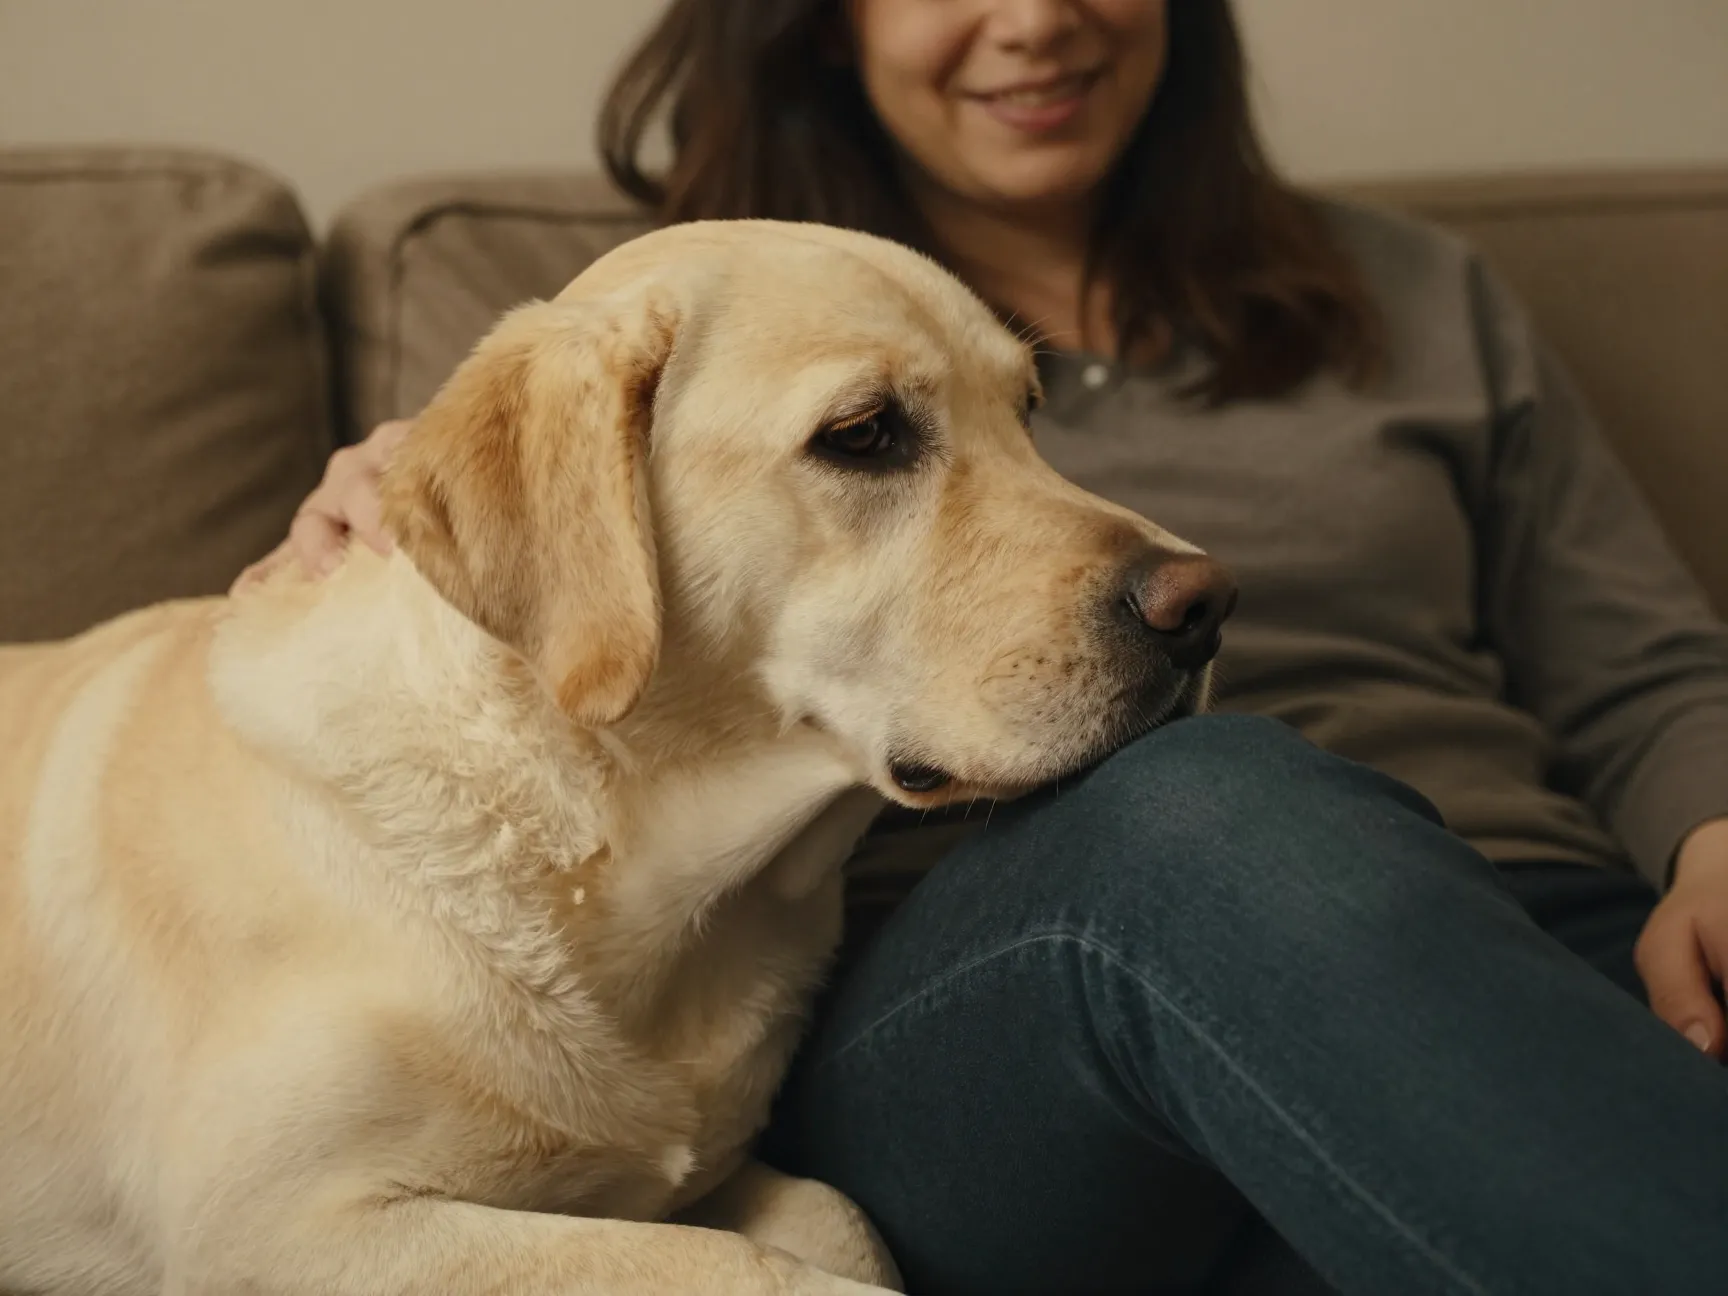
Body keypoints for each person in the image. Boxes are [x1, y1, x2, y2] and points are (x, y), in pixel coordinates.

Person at [244, 2, 1728, 1292]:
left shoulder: (1422, 292)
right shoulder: (629, 313)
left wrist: (1717, 836)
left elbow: (1643, 668)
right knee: (1205, 814)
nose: (1036, 15)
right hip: (1006, 993)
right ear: (830, 13)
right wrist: (403, 522)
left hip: (1534, 930)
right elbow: (466, 636)